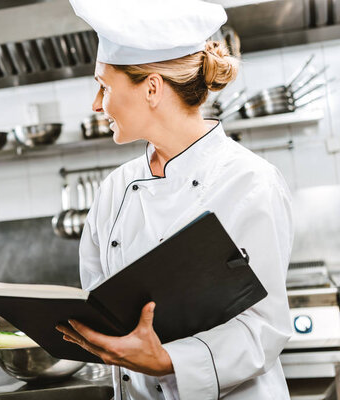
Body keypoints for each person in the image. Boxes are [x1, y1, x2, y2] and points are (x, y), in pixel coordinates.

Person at [55, 1, 293, 399]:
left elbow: (262, 328)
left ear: (151, 88)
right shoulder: (115, 188)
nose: (97, 105)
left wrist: (167, 361)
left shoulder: (248, 182)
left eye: (105, 87)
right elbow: (103, 308)